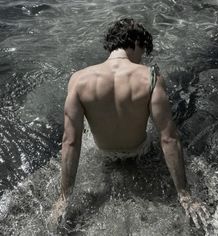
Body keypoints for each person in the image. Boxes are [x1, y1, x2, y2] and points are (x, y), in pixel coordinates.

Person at [53, 18, 209, 229]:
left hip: (102, 154)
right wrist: (185, 195)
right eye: (142, 51)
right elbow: (168, 137)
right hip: (141, 152)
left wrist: (64, 198)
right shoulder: (151, 77)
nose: (141, 58)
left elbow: (71, 141)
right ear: (135, 43)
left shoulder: (78, 80)